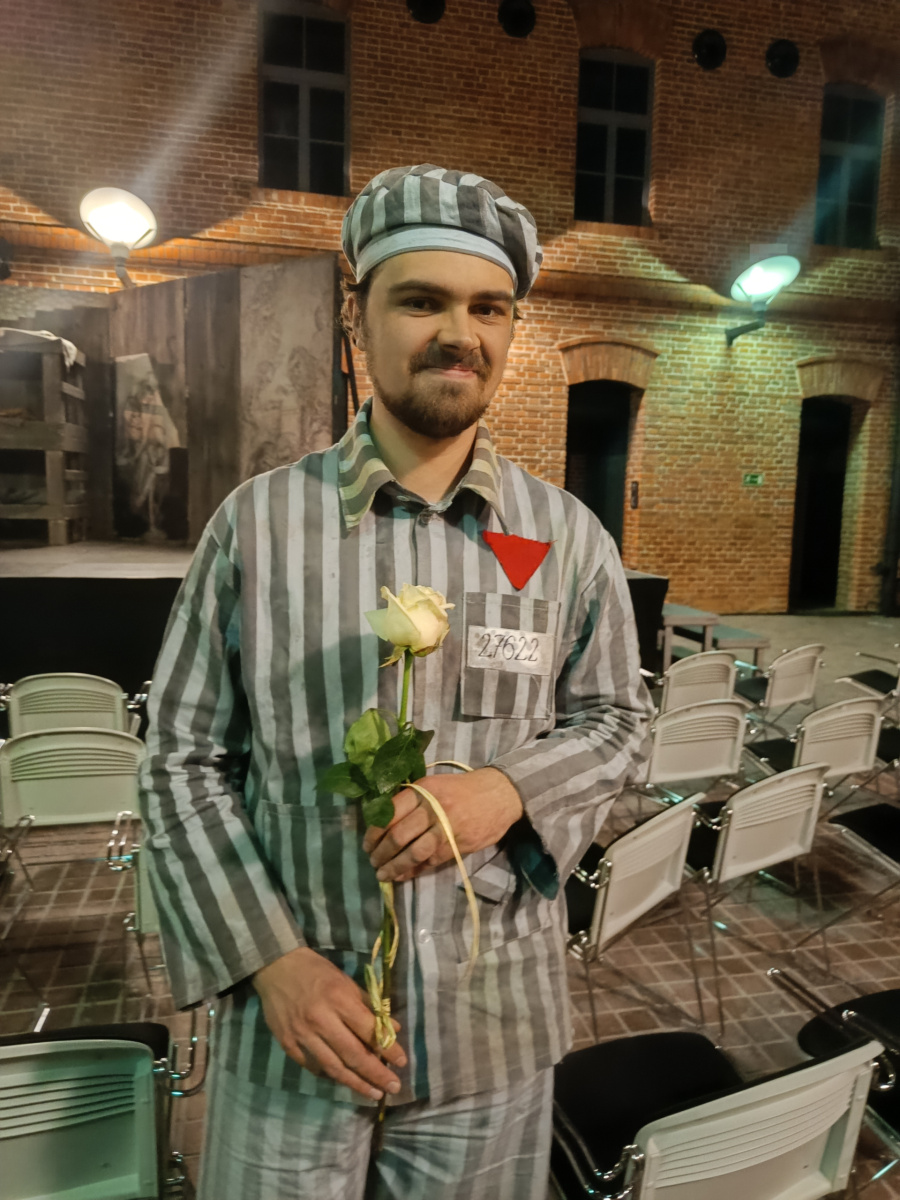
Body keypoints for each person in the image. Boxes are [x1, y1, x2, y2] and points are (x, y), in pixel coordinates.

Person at [139, 163, 652, 1200]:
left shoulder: (565, 538)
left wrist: (506, 790)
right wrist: (267, 960)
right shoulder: (257, 528)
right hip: (300, 1031)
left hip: (490, 1035)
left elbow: (621, 723)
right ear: (356, 319)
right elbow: (180, 759)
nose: (460, 334)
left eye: (488, 308)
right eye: (422, 301)